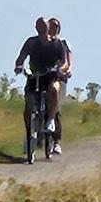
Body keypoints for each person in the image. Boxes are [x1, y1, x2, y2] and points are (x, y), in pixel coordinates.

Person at [13, 17, 67, 153]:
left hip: (50, 75)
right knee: (29, 104)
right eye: (39, 26)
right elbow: (22, 56)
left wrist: (59, 69)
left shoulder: (57, 44)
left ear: (49, 27)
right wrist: (19, 66)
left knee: (54, 89)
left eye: (44, 26)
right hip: (34, 75)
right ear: (36, 28)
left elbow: (64, 61)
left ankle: (50, 120)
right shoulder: (31, 42)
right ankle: (29, 135)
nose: (42, 28)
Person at [47, 18, 71, 155]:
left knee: (56, 108)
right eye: (51, 26)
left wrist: (64, 70)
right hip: (44, 76)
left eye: (56, 27)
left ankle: (56, 142)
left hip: (58, 77)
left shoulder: (61, 44)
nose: (53, 29)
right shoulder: (42, 43)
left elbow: (67, 61)